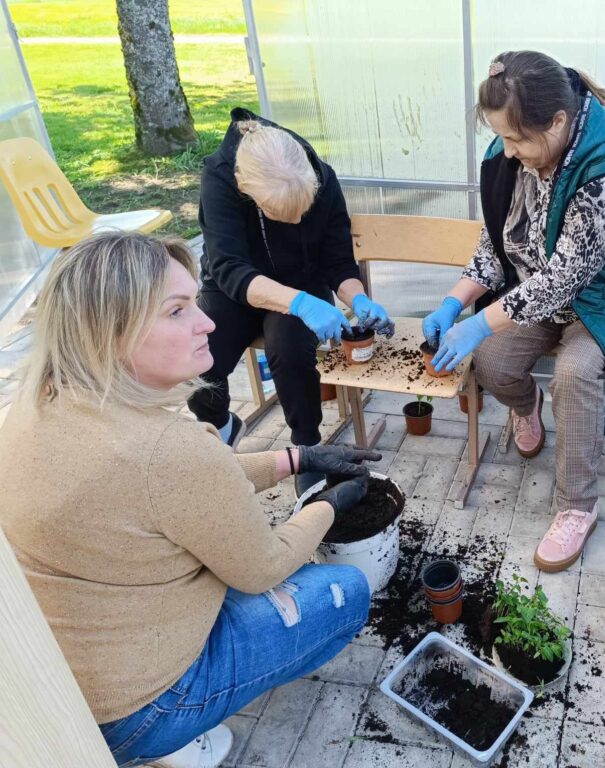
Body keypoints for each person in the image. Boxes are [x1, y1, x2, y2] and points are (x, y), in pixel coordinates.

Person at [0, 232, 380, 767]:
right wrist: (328, 506)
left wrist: (297, 460)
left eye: (194, 303)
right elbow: (262, 568)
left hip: (66, 687)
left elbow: (187, 489)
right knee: (345, 590)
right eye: (177, 311)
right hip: (143, 709)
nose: (207, 323)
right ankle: (183, 735)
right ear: (108, 334)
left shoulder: (37, 402)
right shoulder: (167, 449)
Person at [423, 51, 605, 573]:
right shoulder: (516, 152)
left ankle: (578, 506)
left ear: (558, 122)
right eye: (501, 139)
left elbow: (565, 279)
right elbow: (498, 244)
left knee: (576, 373)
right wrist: (455, 301)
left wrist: (479, 321)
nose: (507, 153)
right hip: (537, 291)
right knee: (491, 360)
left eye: (516, 140)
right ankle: (525, 406)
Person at [187, 107, 392, 497]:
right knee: (198, 361)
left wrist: (358, 297)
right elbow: (228, 266)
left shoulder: (322, 177)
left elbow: (337, 261)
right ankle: (223, 424)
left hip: (302, 280)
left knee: (289, 348)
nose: (296, 225)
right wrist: (297, 303)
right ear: (242, 186)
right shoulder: (219, 177)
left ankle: (307, 448)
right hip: (235, 285)